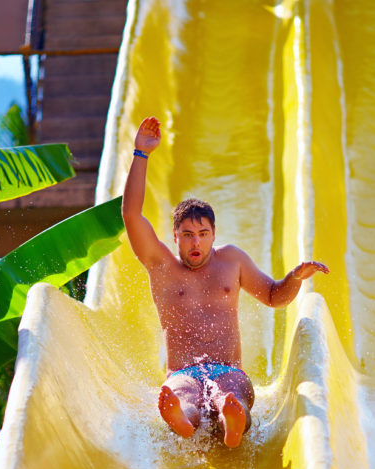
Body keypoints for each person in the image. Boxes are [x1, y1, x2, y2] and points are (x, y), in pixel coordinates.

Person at [121, 116, 329, 447]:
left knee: (233, 394)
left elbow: (275, 296)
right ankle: (182, 418)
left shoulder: (232, 261)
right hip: (182, 373)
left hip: (228, 370)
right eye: (187, 235)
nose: (195, 243)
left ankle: (232, 419)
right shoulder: (162, 266)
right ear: (175, 236)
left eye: (203, 234)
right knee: (183, 396)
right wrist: (141, 154)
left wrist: (296, 277)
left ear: (214, 234)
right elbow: (131, 215)